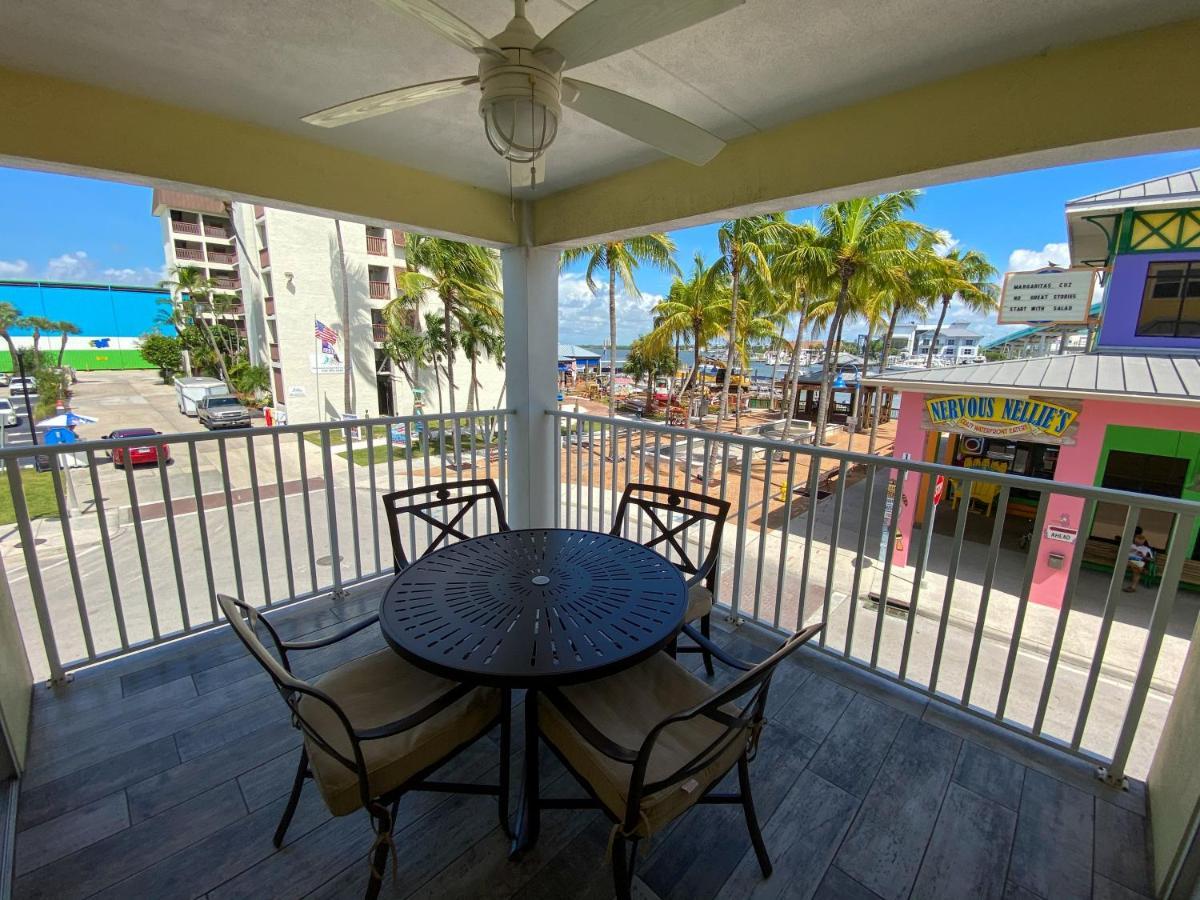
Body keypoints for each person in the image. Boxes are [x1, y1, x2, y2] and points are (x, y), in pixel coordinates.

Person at [1125, 527, 1155, 593]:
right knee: (1136, 568)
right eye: (1136, 541)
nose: (1137, 543)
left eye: (1140, 542)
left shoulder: (1146, 548)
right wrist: (1129, 550)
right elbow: (1122, 552)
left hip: (1138, 562)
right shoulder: (1130, 543)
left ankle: (1132, 588)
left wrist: (1144, 557)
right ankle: (1142, 570)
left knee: (1137, 570)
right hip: (1128, 560)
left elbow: (1152, 560)